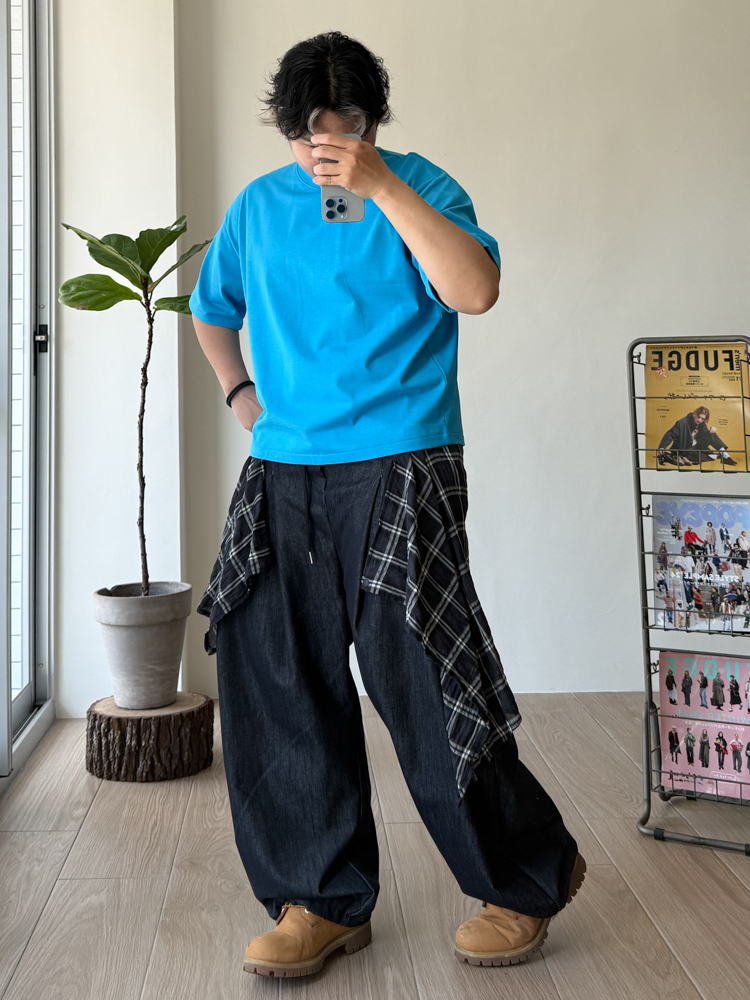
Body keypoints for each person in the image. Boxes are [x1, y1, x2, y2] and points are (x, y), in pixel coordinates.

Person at [189, 32, 584, 979]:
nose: (326, 148)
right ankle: (319, 899)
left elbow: (475, 290)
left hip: (404, 462)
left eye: (349, 127)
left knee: (429, 680)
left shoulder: (424, 188)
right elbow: (212, 308)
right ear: (285, 129)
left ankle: (525, 878)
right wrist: (244, 399)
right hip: (284, 468)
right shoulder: (258, 207)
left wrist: (384, 188)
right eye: (309, 133)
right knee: (277, 678)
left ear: (375, 121)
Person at [656, 406, 737, 467]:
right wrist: (662, 447)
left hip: (697, 447)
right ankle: (718, 455)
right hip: (685, 448)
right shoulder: (682, 423)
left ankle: (725, 455)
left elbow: (705, 435)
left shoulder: (701, 423)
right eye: (699, 417)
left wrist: (711, 430)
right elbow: (670, 434)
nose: (700, 420)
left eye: (702, 419)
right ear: (694, 414)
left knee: (712, 434)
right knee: (701, 457)